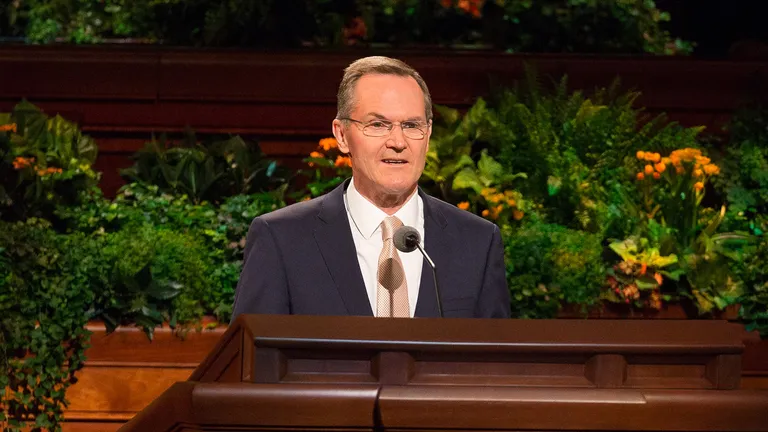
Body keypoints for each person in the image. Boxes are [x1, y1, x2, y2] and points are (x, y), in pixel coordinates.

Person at [231, 56, 510, 319]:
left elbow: (494, 352)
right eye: (378, 124)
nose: (398, 142)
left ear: (428, 135)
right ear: (342, 135)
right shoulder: (282, 239)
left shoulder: (478, 242)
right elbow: (254, 352)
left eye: (411, 125)